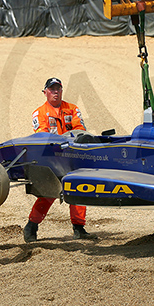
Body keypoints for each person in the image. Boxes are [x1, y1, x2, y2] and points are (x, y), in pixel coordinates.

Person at [23, 78, 97, 242]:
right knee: (48, 194)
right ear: (45, 92)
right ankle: (31, 227)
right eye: (52, 89)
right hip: (50, 158)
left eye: (58, 88)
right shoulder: (39, 113)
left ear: (62, 91)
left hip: (73, 156)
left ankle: (79, 228)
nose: (55, 92)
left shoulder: (72, 109)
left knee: (78, 189)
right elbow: (42, 135)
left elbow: (80, 130)